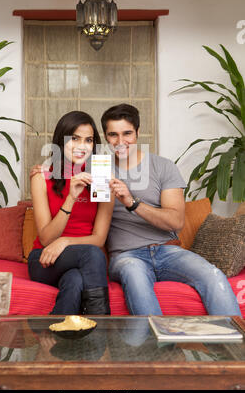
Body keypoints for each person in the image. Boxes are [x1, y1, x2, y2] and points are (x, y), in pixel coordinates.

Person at [101, 103, 241, 316]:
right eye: (113, 135)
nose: (120, 142)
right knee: (135, 276)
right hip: (127, 256)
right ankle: (160, 348)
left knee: (213, 275)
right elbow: (68, 185)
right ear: (105, 137)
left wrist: (132, 202)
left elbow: (176, 221)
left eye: (127, 133)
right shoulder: (99, 169)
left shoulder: (163, 166)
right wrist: (45, 172)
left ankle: (234, 347)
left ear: (138, 133)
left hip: (168, 251)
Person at [28, 111, 114, 315]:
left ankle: (55, 338)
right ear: (61, 140)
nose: (82, 146)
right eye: (74, 138)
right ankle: (103, 329)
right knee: (92, 255)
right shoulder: (41, 176)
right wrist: (71, 198)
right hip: (44, 259)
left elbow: (99, 239)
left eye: (88, 140)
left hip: (84, 259)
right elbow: (47, 238)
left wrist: (66, 241)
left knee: (75, 280)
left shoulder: (100, 176)